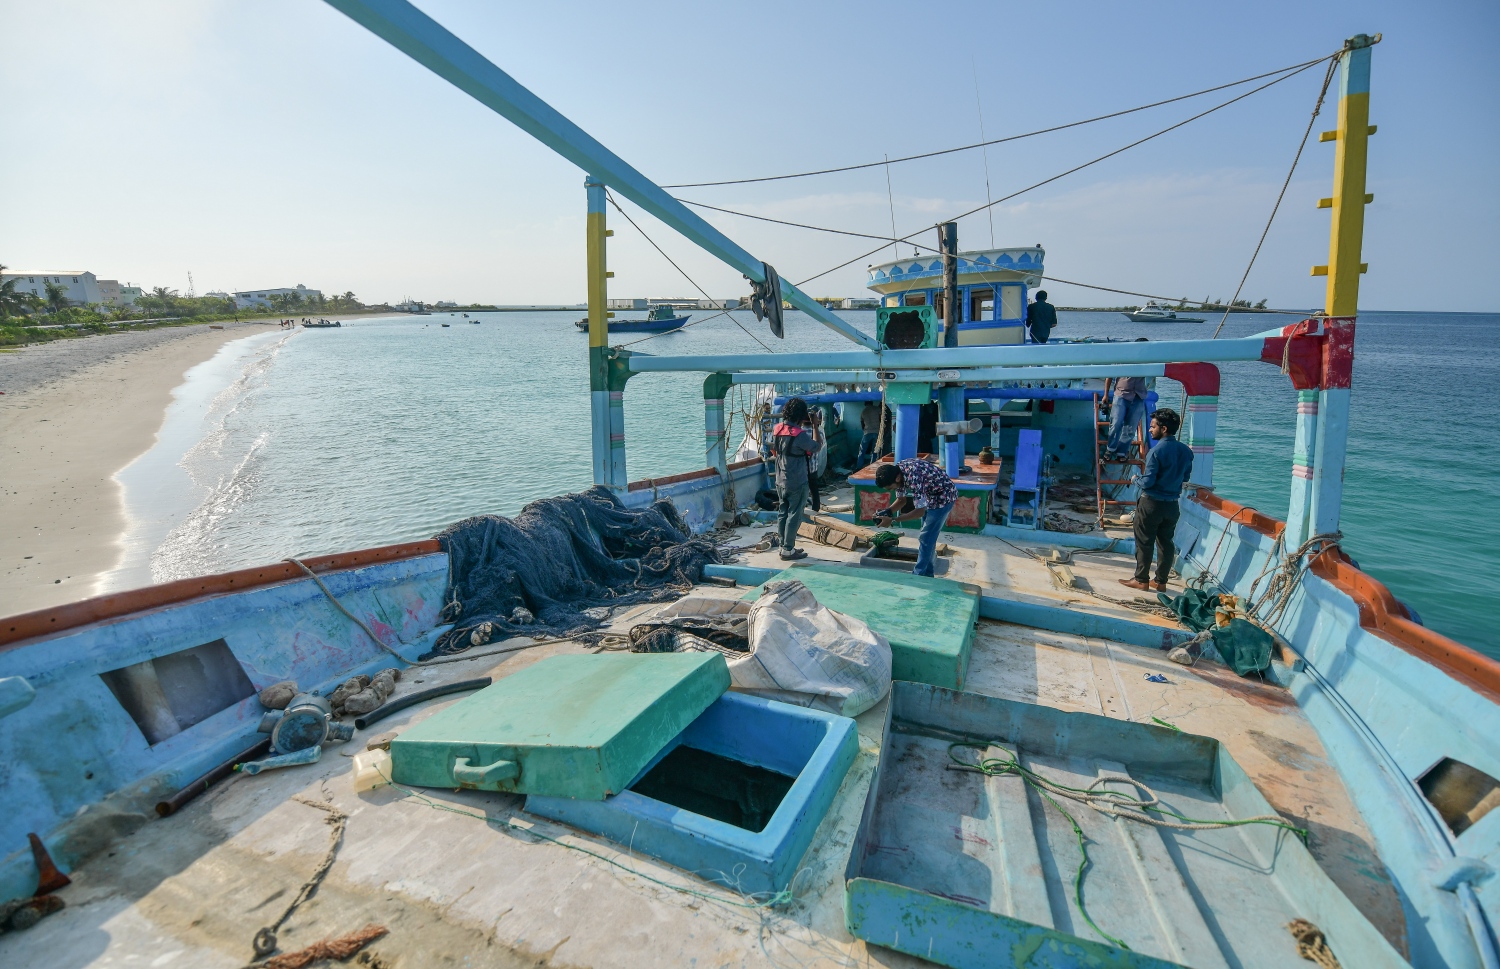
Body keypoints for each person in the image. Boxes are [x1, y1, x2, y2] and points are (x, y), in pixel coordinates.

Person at [1120, 408, 1194, 592]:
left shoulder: (1155, 452)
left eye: (1153, 426)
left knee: (1144, 542)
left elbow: (1148, 482)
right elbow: (1185, 477)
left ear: (1164, 428)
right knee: (1166, 543)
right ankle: (1161, 581)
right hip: (1172, 506)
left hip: (1151, 504)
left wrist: (1135, 479)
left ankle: (1141, 580)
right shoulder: (1186, 452)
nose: (1150, 430)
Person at [872, 457, 957, 577]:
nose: (892, 490)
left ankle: (918, 575)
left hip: (944, 498)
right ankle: (928, 575)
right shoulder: (897, 471)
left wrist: (893, 520)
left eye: (891, 488)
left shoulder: (914, 477)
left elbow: (919, 512)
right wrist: (886, 512)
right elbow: (901, 500)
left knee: (926, 538)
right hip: (930, 497)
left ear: (897, 478)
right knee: (928, 539)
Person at [770, 397, 822, 561]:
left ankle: (783, 546)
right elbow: (817, 446)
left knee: (782, 513)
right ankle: (788, 550)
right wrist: (815, 425)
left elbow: (774, 451)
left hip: (780, 480)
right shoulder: (800, 435)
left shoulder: (777, 429)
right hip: (797, 481)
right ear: (801, 415)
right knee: (794, 515)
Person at [1106, 376, 1149, 460]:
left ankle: (1122, 452)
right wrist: (1106, 395)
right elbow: (1109, 375)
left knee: (1131, 428)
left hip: (1139, 396)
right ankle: (1110, 448)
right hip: (1121, 394)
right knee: (1116, 423)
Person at [856, 402, 883, 469]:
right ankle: (873, 466)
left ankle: (859, 466)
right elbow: (881, 419)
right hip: (877, 432)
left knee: (862, 451)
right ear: (872, 403)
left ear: (865, 404)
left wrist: (865, 430)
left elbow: (862, 424)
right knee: (875, 450)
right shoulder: (877, 409)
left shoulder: (863, 411)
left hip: (867, 432)